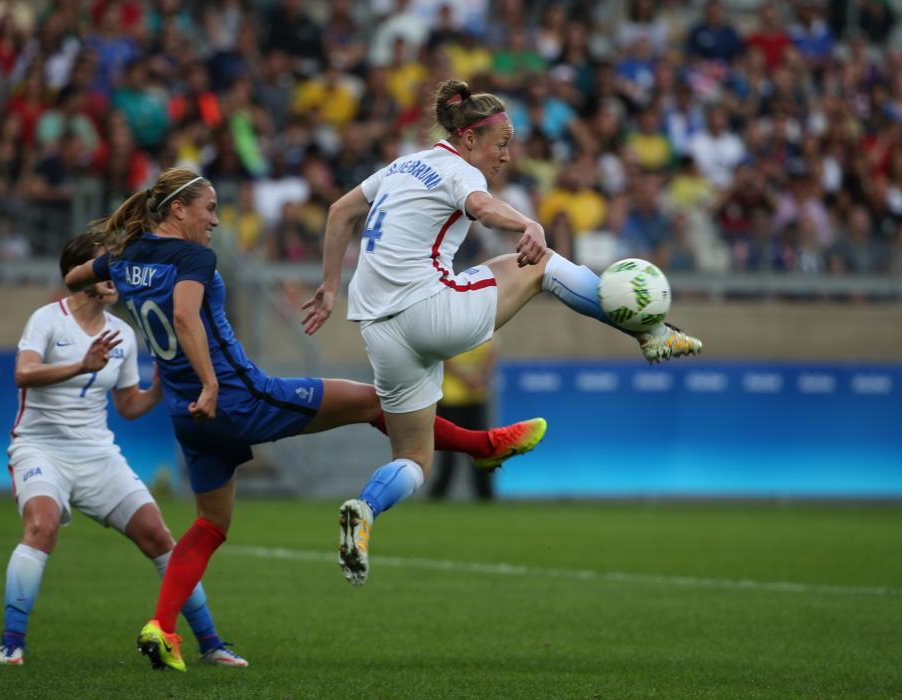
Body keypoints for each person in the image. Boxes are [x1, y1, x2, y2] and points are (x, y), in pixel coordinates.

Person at [63, 167, 548, 672]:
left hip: (191, 417)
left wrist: (106, 292)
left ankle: (161, 627)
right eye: (208, 209)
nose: (215, 220)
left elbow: (76, 277)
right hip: (239, 397)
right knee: (377, 401)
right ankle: (484, 445)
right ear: (178, 210)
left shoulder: (125, 258)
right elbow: (185, 317)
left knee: (210, 524)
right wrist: (209, 381)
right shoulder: (192, 257)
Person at [301, 79, 703, 587]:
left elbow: (340, 212)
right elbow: (483, 208)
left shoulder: (403, 165)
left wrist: (330, 286)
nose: (507, 157)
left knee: (413, 457)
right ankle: (651, 333)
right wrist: (528, 224)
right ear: (468, 139)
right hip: (430, 312)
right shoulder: (455, 169)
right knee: (539, 265)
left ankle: (364, 510)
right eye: (501, 144)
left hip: (379, 331)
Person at [0, 231, 247, 668]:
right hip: (40, 449)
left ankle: (211, 644)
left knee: (160, 537)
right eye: (103, 264)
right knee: (42, 526)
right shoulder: (48, 319)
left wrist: (161, 385)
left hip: (98, 455)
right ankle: (11, 644)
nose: (114, 274)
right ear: (79, 272)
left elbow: (129, 406)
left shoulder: (123, 334)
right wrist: (81, 364)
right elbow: (23, 374)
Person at [430, 341, 496, 501]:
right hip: (451, 399)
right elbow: (442, 358)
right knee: (448, 453)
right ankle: (438, 495)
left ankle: (485, 496)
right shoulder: (448, 328)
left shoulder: (485, 325)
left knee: (482, 448)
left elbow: (492, 353)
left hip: (476, 398)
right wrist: (468, 378)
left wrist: (479, 376)